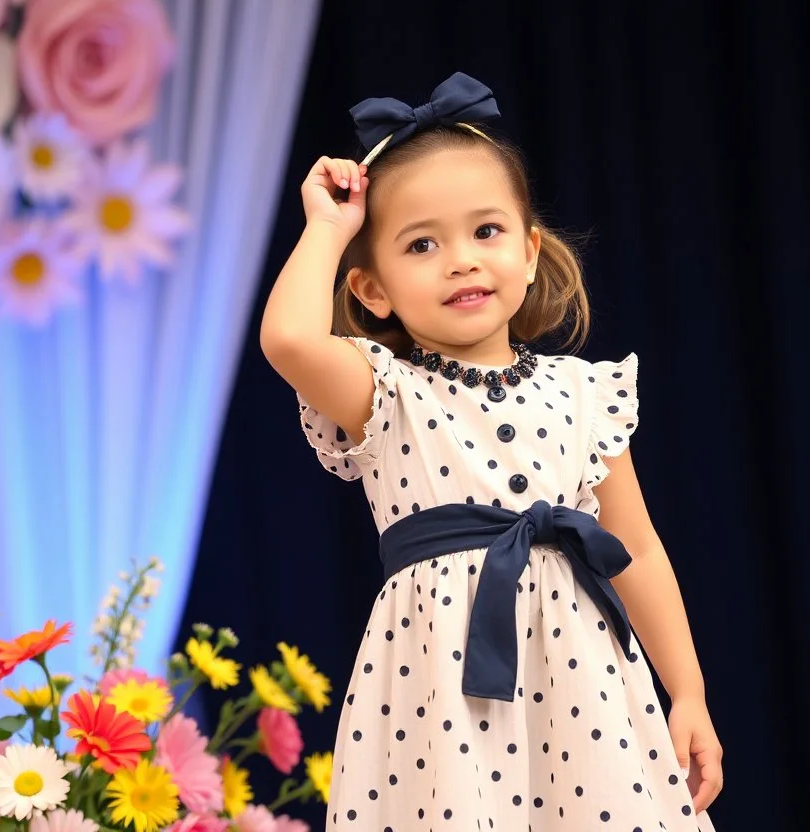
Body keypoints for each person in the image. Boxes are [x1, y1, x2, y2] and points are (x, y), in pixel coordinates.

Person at [260, 72, 722, 831]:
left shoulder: (585, 392)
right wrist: (327, 227)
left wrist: (690, 693)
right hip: (438, 699)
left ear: (532, 251)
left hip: (588, 688)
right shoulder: (384, 390)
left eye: (487, 231)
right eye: (421, 244)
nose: (462, 260)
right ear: (373, 291)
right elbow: (289, 339)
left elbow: (635, 546)